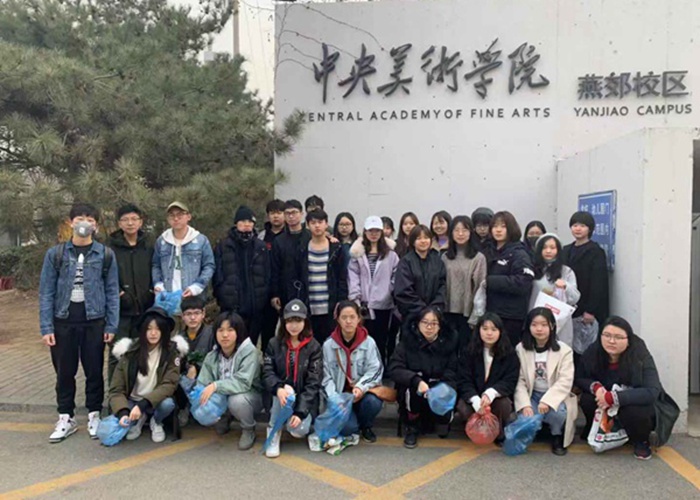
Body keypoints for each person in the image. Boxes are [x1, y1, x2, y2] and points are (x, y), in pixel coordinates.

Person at [39, 203, 119, 443]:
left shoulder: (105, 254)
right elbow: (46, 292)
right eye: (80, 218)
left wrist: (111, 325)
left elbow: (112, 291)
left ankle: (94, 414)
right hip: (63, 321)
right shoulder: (56, 254)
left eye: (90, 219)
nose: (85, 223)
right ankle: (66, 417)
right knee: (65, 372)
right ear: (70, 222)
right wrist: (46, 327)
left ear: (96, 225)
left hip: (94, 321)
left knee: (94, 370)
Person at [575, 316, 664, 460]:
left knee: (634, 409)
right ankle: (594, 428)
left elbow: (652, 391)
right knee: (587, 399)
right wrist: (596, 387)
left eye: (618, 337)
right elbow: (580, 377)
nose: (611, 341)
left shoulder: (640, 354)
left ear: (628, 340)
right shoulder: (594, 350)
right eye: (607, 335)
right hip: (604, 399)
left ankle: (641, 440)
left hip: (630, 402)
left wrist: (613, 398)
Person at [109, 307, 187, 443]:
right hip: (133, 400)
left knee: (168, 404)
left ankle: (156, 421)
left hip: (155, 401)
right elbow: (116, 389)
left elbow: (169, 384)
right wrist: (122, 412)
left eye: (158, 329)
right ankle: (139, 419)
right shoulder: (129, 352)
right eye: (149, 329)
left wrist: (143, 404)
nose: (153, 333)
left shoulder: (171, 353)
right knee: (118, 424)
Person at [389, 307, 459, 449]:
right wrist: (416, 380)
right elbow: (395, 368)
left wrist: (442, 387)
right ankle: (412, 427)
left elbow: (453, 370)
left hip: (438, 387)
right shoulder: (407, 343)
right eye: (425, 322)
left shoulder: (448, 344)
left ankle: (440, 420)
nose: (429, 327)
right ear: (417, 323)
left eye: (434, 323)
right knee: (411, 391)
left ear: (440, 326)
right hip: (415, 388)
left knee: (442, 425)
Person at [262, 300, 322, 458]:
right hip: (280, 398)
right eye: (289, 321)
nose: (294, 325)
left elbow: (313, 383)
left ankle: (298, 420)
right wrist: (278, 388)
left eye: (298, 320)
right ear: (284, 322)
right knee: (281, 393)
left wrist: (300, 412)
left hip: (303, 399)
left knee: (297, 430)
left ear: (305, 322)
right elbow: (267, 372)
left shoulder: (314, 347)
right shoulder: (273, 344)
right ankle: (273, 431)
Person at [514, 307, 577, 456]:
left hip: (554, 394)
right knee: (526, 417)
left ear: (552, 326)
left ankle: (557, 435)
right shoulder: (521, 348)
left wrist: (548, 400)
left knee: (558, 413)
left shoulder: (564, 350)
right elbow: (519, 380)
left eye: (544, 325)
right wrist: (525, 404)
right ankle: (539, 430)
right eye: (534, 324)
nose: (539, 329)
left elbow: (565, 380)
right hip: (532, 393)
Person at [197, 312, 263, 450]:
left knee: (236, 400)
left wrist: (215, 385)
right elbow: (202, 383)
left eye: (230, 330)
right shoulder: (212, 355)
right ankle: (225, 416)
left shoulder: (249, 352)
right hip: (224, 397)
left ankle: (248, 429)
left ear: (238, 332)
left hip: (250, 397)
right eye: (220, 330)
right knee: (204, 398)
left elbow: (243, 382)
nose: (225, 335)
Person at [322, 301, 384, 443]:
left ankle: (366, 425)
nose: (348, 321)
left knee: (373, 402)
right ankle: (351, 421)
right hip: (341, 397)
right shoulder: (328, 345)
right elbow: (326, 377)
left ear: (358, 319)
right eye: (344, 317)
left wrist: (361, 387)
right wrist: (334, 398)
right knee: (348, 429)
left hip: (362, 393)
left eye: (352, 317)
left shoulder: (369, 342)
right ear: (338, 319)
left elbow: (375, 370)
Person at [107, 204, 154, 383]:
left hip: (144, 309)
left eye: (134, 219)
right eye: (125, 220)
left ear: (141, 222)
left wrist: (151, 292)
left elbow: (156, 270)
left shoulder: (148, 246)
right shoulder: (110, 249)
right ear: (119, 223)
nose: (130, 223)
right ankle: (115, 395)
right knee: (117, 354)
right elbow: (105, 275)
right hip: (120, 312)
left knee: (142, 353)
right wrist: (119, 294)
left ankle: (138, 393)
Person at [457, 312, 519, 444]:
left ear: (500, 331)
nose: (489, 333)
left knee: (504, 405)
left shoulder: (509, 353)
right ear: (478, 330)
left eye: (494, 329)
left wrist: (491, 393)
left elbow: (510, 379)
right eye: (485, 329)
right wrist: (475, 400)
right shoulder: (469, 351)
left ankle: (497, 430)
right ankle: (473, 428)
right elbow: (463, 379)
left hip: (495, 397)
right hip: (474, 395)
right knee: (463, 407)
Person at [213, 206, 270, 345]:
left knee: (251, 345)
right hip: (231, 306)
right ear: (236, 223)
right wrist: (222, 296)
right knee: (232, 344)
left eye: (250, 221)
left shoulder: (261, 246)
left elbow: (267, 274)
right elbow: (217, 275)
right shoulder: (224, 246)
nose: (247, 224)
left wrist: (263, 297)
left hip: (255, 306)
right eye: (243, 221)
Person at [348, 216, 400, 365]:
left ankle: (380, 370)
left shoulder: (391, 254)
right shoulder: (357, 254)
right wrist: (356, 298)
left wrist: (388, 291)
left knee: (381, 341)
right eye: (370, 230)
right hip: (363, 305)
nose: (374, 234)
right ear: (365, 232)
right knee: (362, 341)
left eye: (377, 230)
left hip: (383, 305)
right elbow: (353, 276)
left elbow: (395, 275)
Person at [484, 211, 534, 346]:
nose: (498, 230)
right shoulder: (488, 250)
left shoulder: (519, 253)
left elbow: (523, 282)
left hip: (511, 316)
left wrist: (490, 281)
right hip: (490, 313)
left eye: (503, 226)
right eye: (495, 226)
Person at [562, 211, 610, 353]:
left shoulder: (596, 252)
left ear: (590, 229)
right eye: (575, 225)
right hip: (569, 307)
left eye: (582, 226)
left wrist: (591, 310)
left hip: (586, 309)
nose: (578, 229)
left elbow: (598, 283)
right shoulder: (566, 250)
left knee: (586, 350)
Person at [302, 209, 348, 343]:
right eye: (313, 223)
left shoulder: (336, 248)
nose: (317, 226)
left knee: (331, 343)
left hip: (330, 307)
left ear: (326, 224)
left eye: (320, 222)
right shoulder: (302, 248)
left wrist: (341, 301)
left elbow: (342, 277)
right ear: (307, 225)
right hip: (309, 306)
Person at [152, 201, 215, 298]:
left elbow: (209, 266)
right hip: (167, 296)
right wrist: (158, 284)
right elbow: (156, 265)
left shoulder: (200, 240)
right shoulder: (162, 241)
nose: (176, 218)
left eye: (180, 215)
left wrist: (197, 287)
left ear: (188, 217)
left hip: (193, 297)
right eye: (171, 215)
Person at [442, 216, 487, 348]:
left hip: (467, 314)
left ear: (471, 232)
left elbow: (481, 289)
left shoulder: (478, 258)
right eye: (456, 230)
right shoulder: (445, 257)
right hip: (447, 312)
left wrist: (475, 316)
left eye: (464, 230)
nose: (460, 234)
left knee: (465, 350)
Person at [528, 233, 580, 347]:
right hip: (536, 318)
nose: (548, 251)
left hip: (560, 320)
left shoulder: (566, 271)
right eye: (544, 248)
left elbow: (575, 298)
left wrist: (566, 286)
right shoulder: (532, 270)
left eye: (552, 248)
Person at [174, 295, 215, 427]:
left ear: (203, 313)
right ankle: (184, 407)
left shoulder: (212, 333)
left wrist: (197, 367)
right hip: (186, 377)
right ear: (182, 316)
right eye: (188, 314)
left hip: (207, 375)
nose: (192, 318)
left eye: (196, 313)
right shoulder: (178, 338)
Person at [394, 225, 447, 325]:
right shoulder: (406, 262)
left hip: (434, 316)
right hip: (412, 316)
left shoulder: (437, 261)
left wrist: (434, 309)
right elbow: (403, 291)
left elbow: (442, 286)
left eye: (426, 238)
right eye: (419, 238)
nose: (423, 241)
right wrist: (423, 311)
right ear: (413, 241)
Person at [270, 199, 310, 312]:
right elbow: (274, 269)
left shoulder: (310, 237)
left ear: (302, 214)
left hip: (308, 290)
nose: (291, 216)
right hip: (286, 290)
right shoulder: (278, 241)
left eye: (294, 212)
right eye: (287, 213)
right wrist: (275, 294)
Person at [258, 199, 287, 353]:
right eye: (272, 213)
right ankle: (266, 358)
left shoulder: (289, 235)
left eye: (279, 213)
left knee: (287, 329)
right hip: (265, 290)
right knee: (267, 329)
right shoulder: (261, 237)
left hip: (285, 288)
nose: (276, 216)